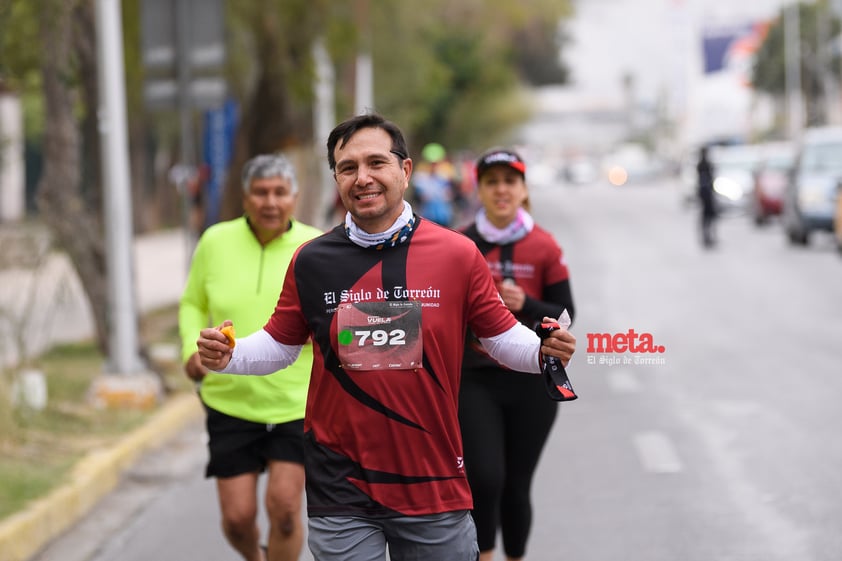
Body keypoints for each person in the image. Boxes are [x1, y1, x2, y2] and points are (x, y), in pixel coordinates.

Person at [194, 112, 577, 561]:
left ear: (405, 170)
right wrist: (230, 355)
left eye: (376, 162)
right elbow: (279, 346)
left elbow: (500, 338)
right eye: (348, 167)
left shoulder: (456, 254)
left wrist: (544, 352)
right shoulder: (312, 260)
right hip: (342, 485)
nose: (363, 178)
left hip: (431, 481)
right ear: (336, 177)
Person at [178, 153, 322, 561]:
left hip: (295, 403)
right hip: (231, 399)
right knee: (238, 518)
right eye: (260, 192)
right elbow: (192, 303)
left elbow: (335, 311)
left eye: (280, 192)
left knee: (287, 510)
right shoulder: (215, 241)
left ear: (295, 197)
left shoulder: (315, 246)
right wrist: (192, 350)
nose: (270, 202)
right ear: (245, 197)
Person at [458, 148, 576, 561]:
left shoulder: (544, 245)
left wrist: (526, 303)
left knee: (516, 484)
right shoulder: (460, 243)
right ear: (480, 190)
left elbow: (566, 314)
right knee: (484, 478)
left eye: (510, 182)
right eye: (492, 182)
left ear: (523, 190)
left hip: (532, 382)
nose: (502, 190)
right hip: (474, 379)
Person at [696, 146, 718, 248]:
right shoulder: (703, 165)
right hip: (706, 194)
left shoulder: (702, 165)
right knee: (707, 216)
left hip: (706, 193)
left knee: (709, 216)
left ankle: (708, 236)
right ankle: (707, 236)